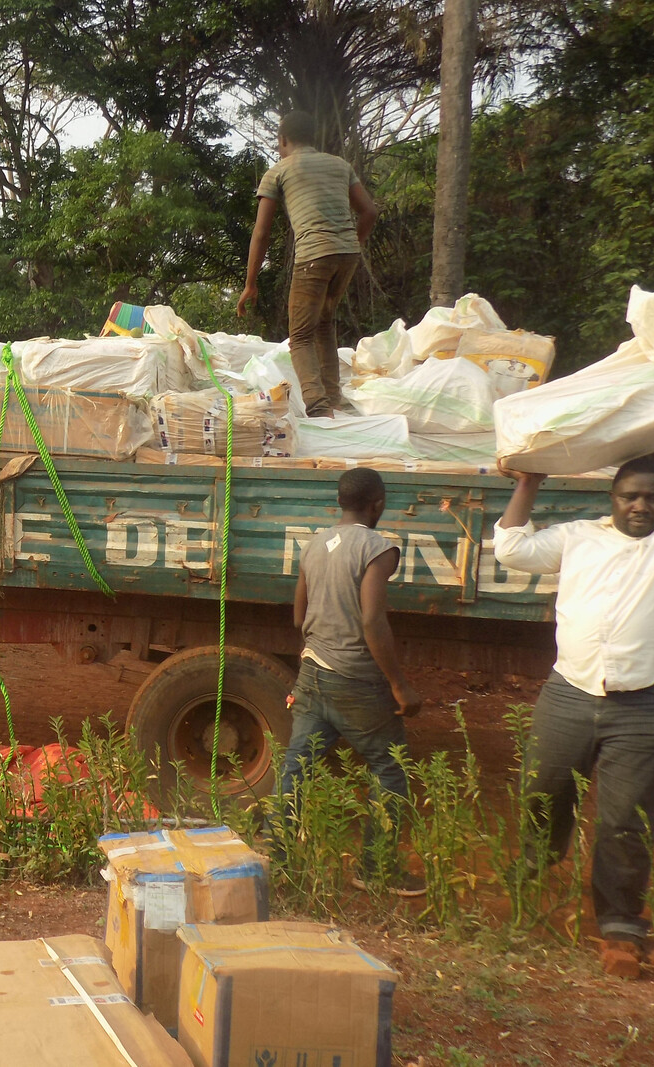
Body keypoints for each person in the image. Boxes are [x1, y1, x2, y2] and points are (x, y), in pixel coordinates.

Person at [496, 454, 654, 976]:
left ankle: (621, 928)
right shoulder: (580, 536)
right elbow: (512, 548)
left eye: (653, 496)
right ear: (613, 499)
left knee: (626, 821)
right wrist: (529, 482)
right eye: (630, 496)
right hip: (570, 693)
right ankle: (537, 860)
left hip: (650, 701)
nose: (641, 505)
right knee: (542, 790)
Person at [276, 467, 425, 895]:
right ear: (377, 502)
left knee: (297, 767)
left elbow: (298, 617)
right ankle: (376, 869)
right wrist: (399, 685)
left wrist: (318, 649)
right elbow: (372, 621)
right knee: (389, 767)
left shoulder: (314, 543)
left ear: (341, 501)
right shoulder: (379, 549)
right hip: (357, 679)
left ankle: (280, 857)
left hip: (312, 673)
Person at [236, 110, 380, 417]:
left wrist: (250, 283)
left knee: (299, 335)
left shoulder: (279, 171)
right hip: (347, 256)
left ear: (284, 139)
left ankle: (317, 407)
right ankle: (333, 399)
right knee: (324, 324)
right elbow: (369, 212)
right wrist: (353, 243)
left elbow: (261, 233)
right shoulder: (340, 165)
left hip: (313, 256)